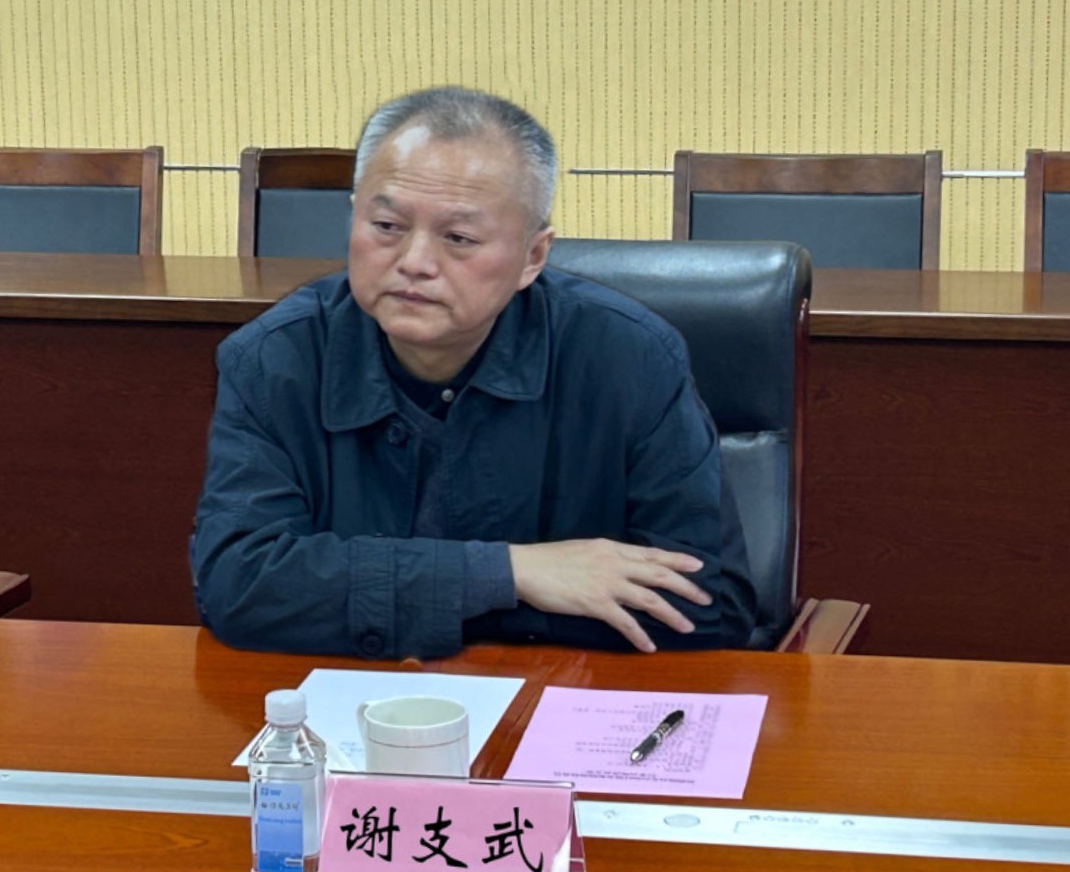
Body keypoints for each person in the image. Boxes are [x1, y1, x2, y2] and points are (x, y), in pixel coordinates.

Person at [191, 86, 755, 659]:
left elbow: (708, 602)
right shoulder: (274, 360)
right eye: (387, 226)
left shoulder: (629, 358)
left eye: (458, 238)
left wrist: (408, 599)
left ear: (533, 257)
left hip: (555, 699)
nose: (414, 262)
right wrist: (509, 575)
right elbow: (238, 585)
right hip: (362, 704)